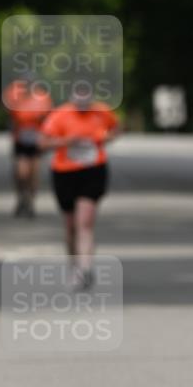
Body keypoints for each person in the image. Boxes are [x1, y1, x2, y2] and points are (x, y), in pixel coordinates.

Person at [39, 84, 120, 289]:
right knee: (71, 226)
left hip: (93, 170)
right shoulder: (59, 115)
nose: (83, 103)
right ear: (72, 98)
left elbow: (116, 128)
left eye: (87, 99)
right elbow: (43, 144)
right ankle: (74, 265)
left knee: (85, 222)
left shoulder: (101, 112)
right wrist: (67, 141)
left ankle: (85, 269)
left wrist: (104, 139)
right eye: (79, 99)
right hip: (65, 173)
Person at [4, 76, 53, 218]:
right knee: (21, 173)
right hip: (21, 139)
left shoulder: (42, 98)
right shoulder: (14, 94)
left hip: (36, 140)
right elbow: (8, 111)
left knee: (34, 173)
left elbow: (48, 118)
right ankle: (21, 196)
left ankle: (31, 201)